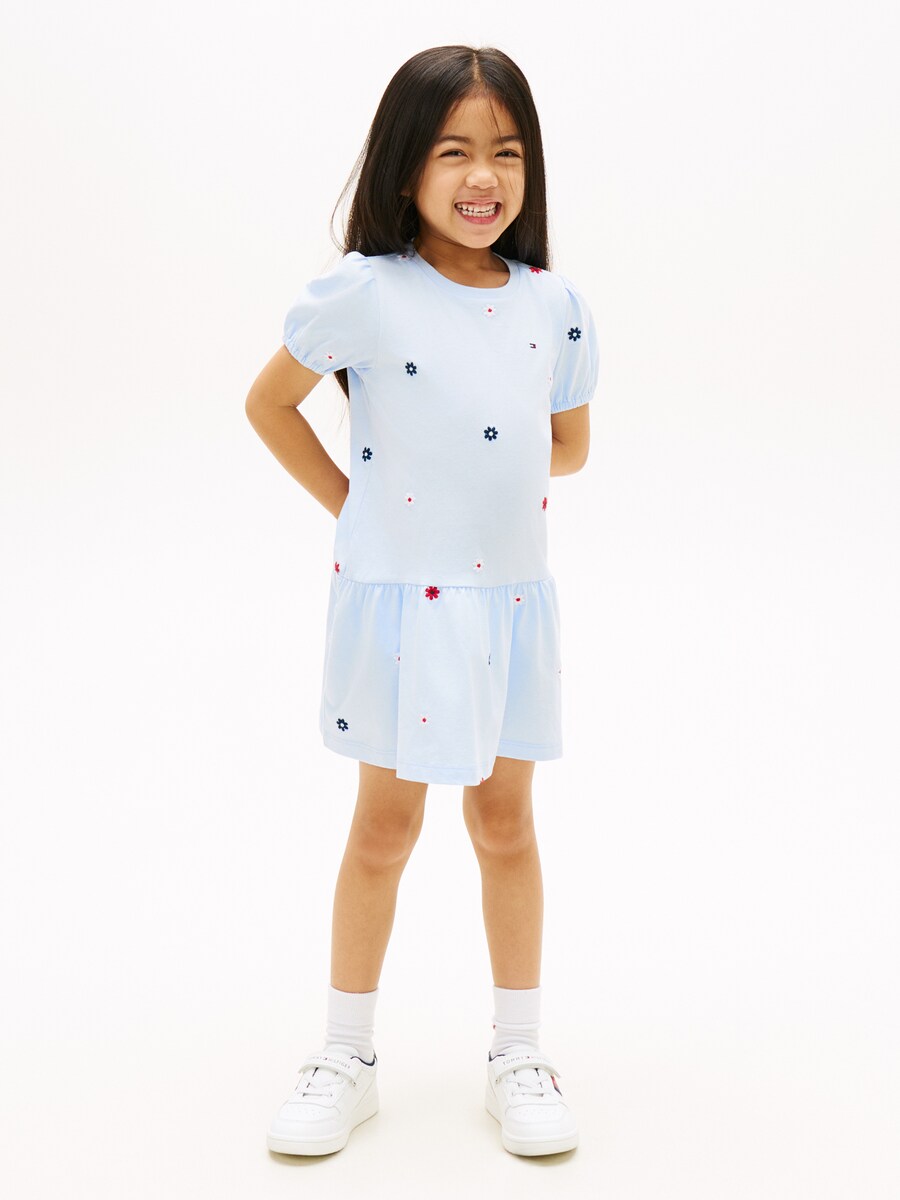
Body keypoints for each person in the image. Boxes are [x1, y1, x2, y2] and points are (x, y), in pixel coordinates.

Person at [246, 44, 598, 1159]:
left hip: (507, 608)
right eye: (454, 151)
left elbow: (568, 446)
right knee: (383, 828)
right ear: (405, 167)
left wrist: (485, 448)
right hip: (400, 607)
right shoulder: (368, 290)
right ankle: (345, 1054)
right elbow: (269, 404)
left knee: (506, 824)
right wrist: (362, 506)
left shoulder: (555, 304)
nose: (483, 175)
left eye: (507, 152)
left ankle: (519, 1052)